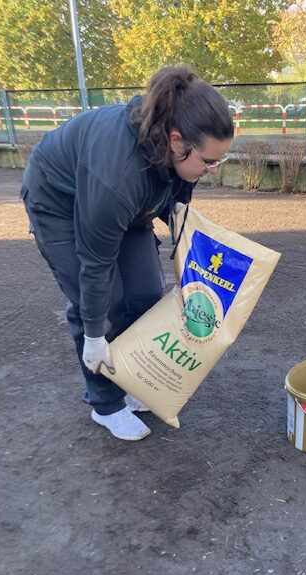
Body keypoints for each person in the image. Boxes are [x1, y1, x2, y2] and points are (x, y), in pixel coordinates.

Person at [21, 66, 234, 440]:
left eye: (219, 161)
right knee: (101, 303)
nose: (212, 170)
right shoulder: (118, 177)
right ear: (176, 140)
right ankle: (105, 404)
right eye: (208, 161)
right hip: (58, 201)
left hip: (128, 204)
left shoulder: (171, 149)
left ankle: (134, 378)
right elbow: (95, 264)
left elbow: (175, 194)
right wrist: (94, 336)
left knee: (145, 294)